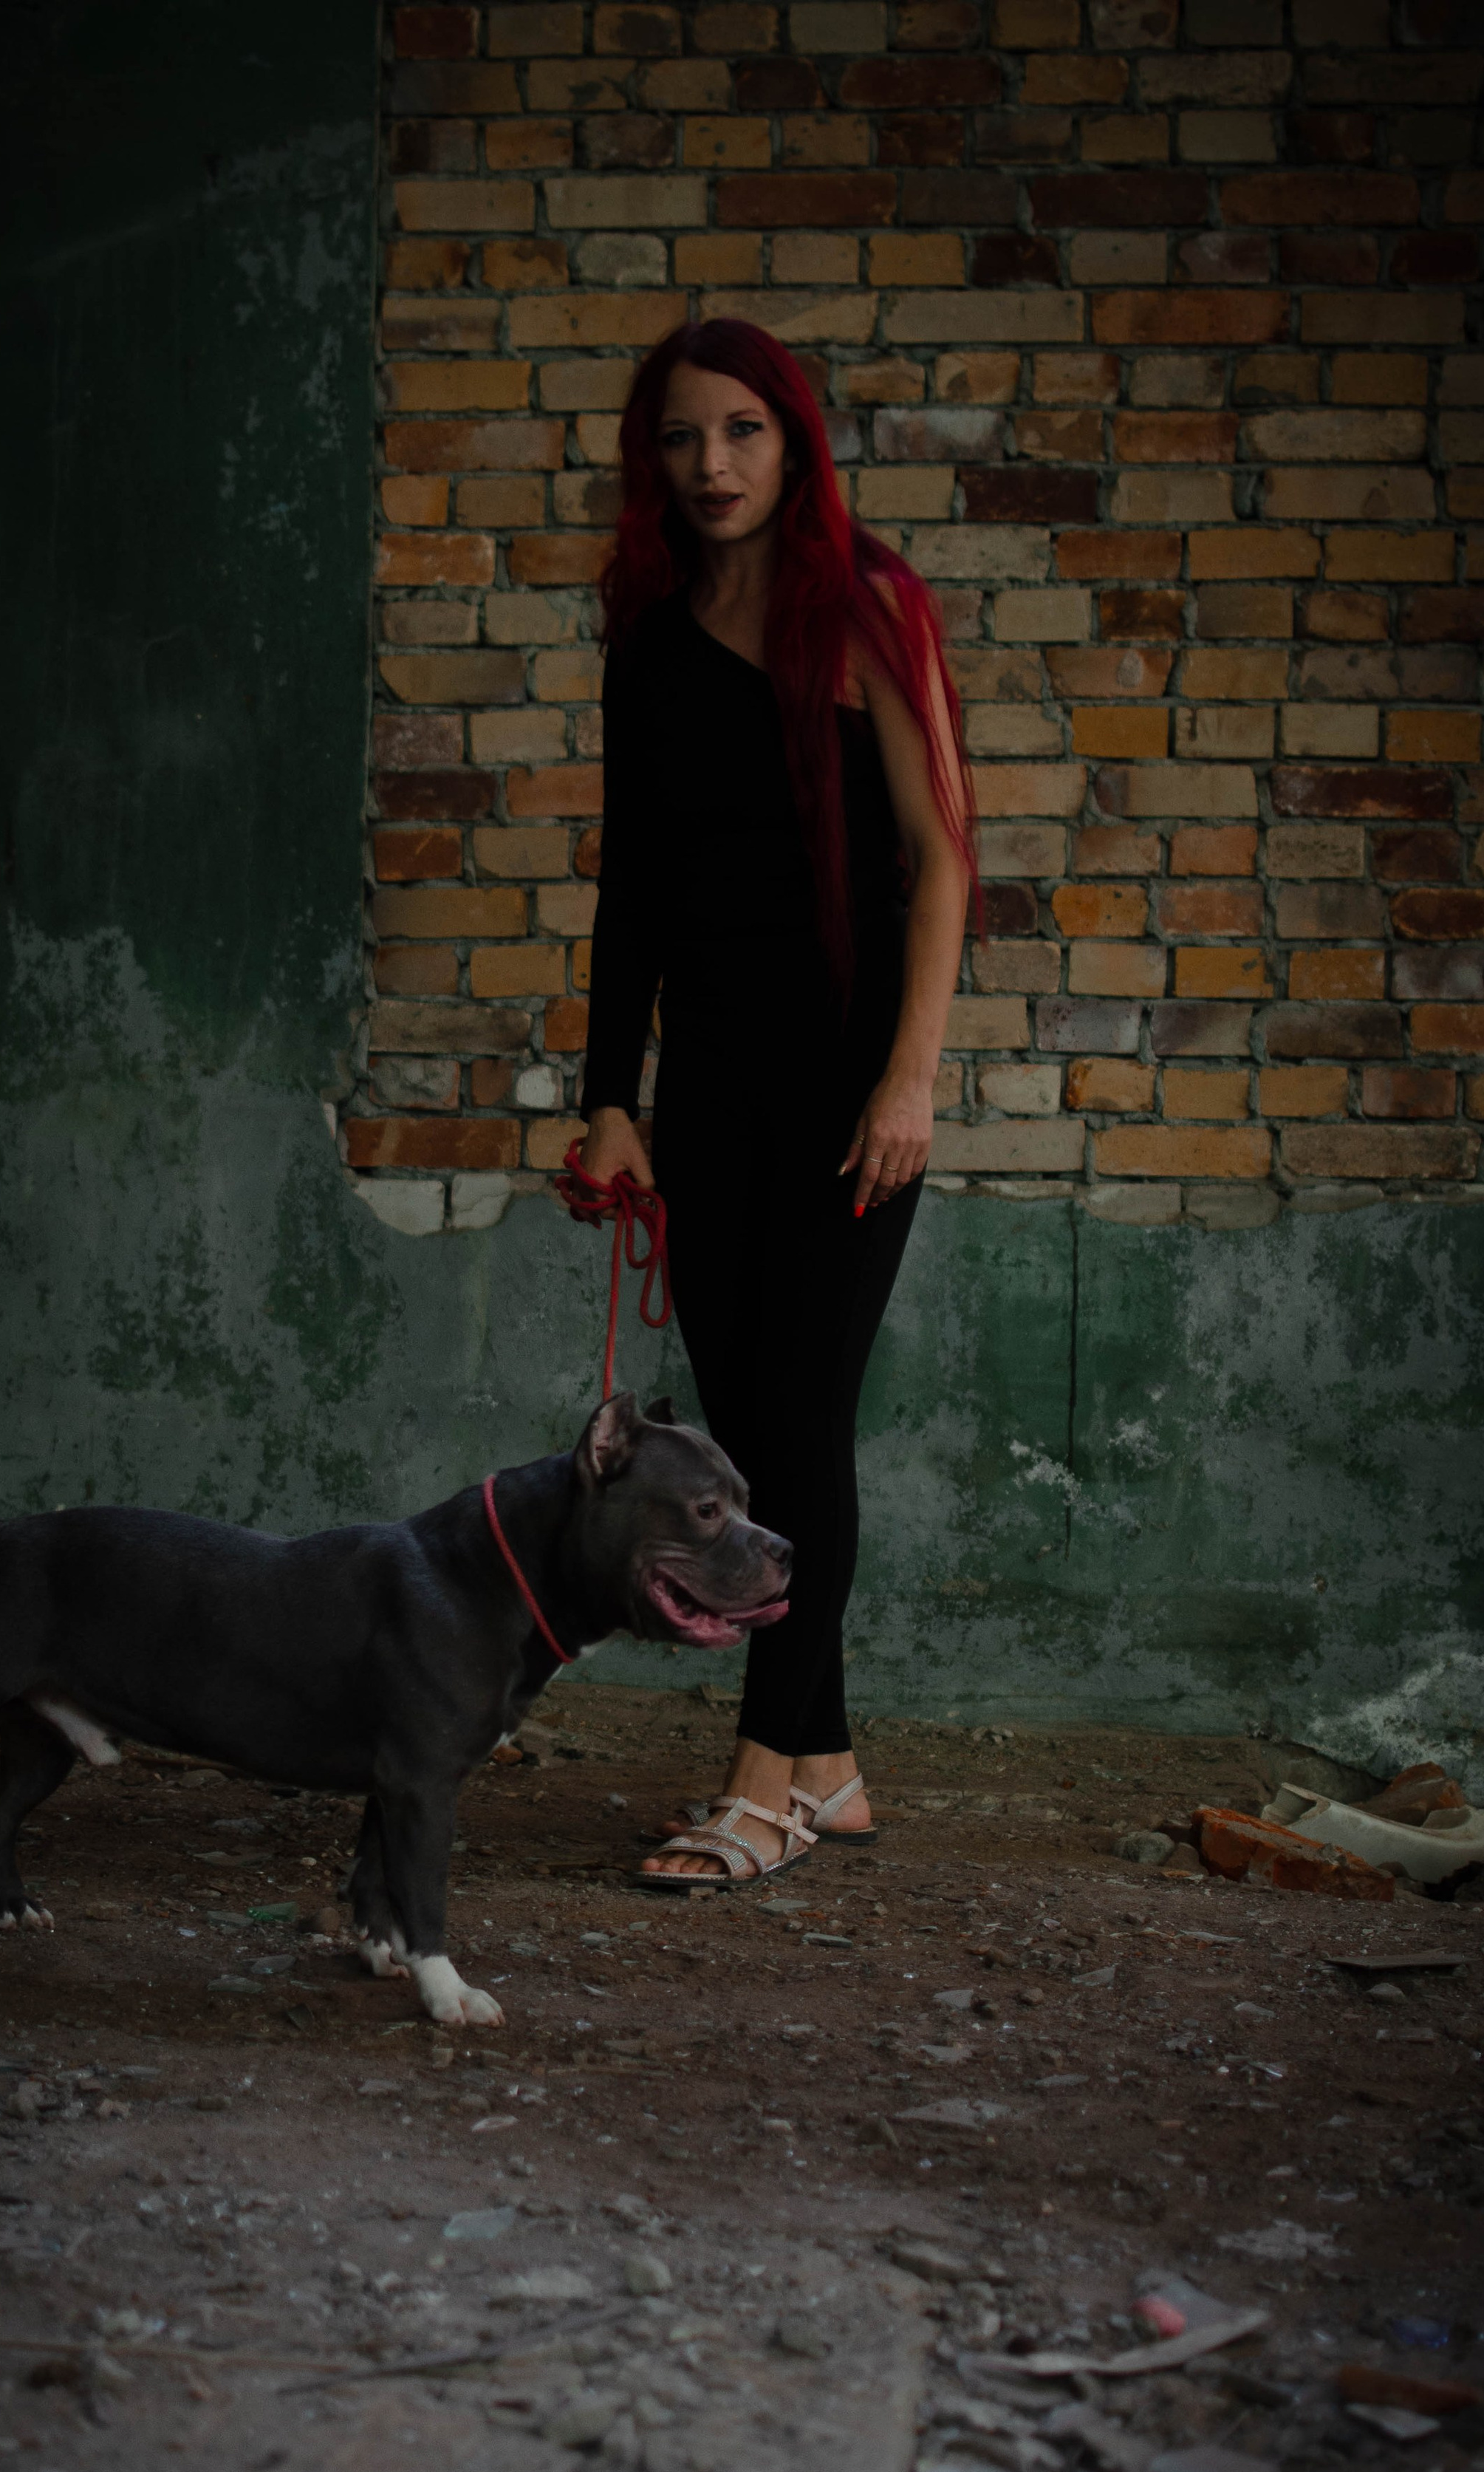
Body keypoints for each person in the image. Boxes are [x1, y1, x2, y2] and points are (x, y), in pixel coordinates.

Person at [576, 318, 976, 1890]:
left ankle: (759, 1787)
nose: (713, 465)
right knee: (749, 1427)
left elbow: (939, 855)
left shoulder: (858, 604)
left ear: (790, 442)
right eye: (681, 438)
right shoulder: (647, 632)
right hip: (713, 1087)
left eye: (741, 431)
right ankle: (830, 1761)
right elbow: (631, 891)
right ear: (650, 460)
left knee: (801, 1430)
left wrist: (909, 1076)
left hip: (847, 1086)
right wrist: (612, 1101)